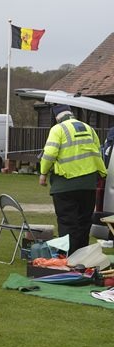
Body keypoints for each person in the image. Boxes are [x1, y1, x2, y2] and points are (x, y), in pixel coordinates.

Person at [39, 104, 107, 255]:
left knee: (67, 223)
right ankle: (82, 258)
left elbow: (49, 154)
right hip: (88, 186)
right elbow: (98, 153)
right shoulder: (89, 129)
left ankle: (68, 258)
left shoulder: (58, 129)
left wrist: (43, 173)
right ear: (71, 114)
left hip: (65, 186)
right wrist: (103, 173)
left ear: (57, 118)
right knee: (84, 223)